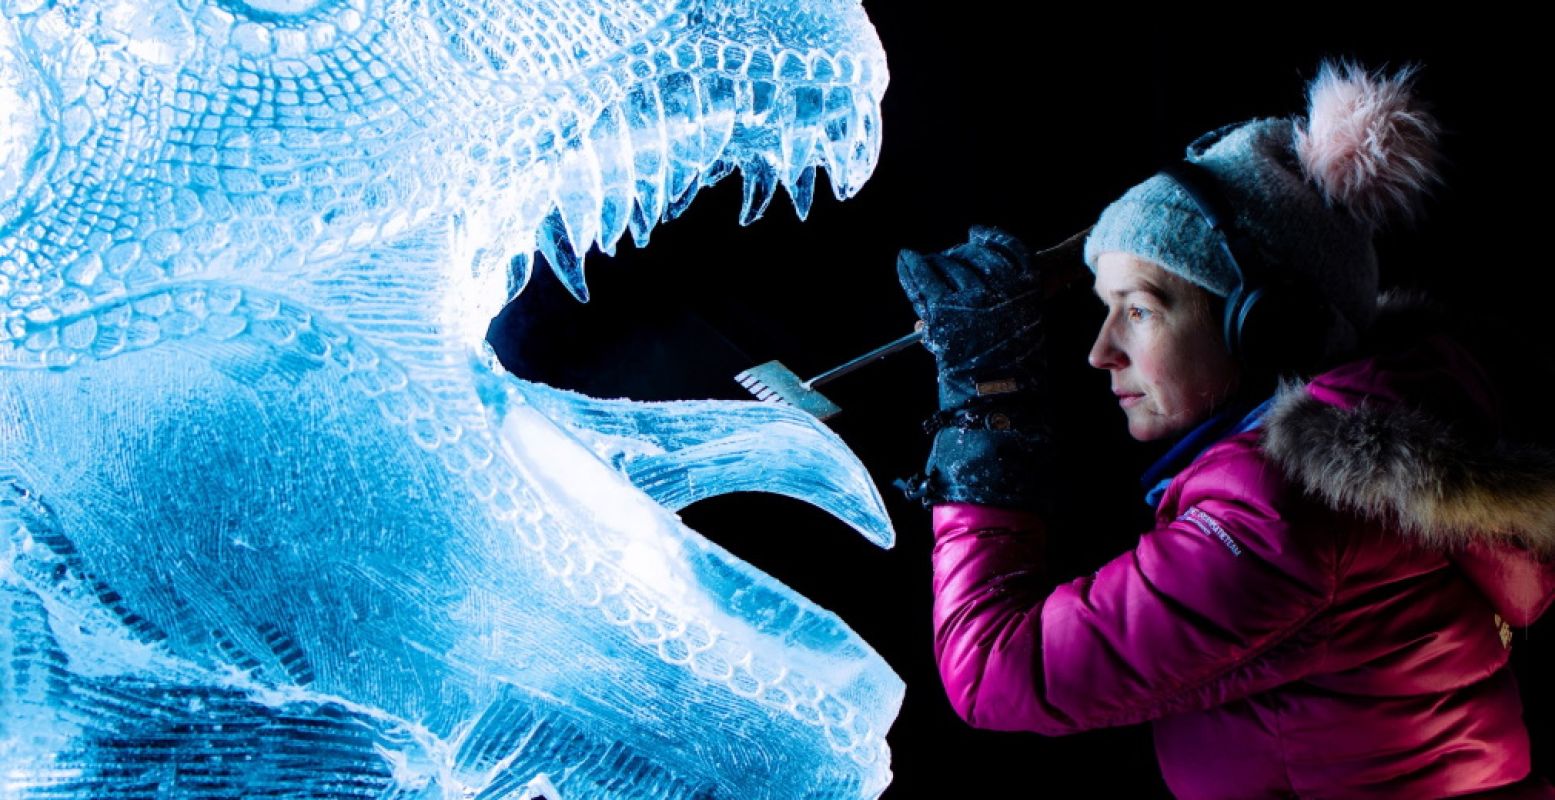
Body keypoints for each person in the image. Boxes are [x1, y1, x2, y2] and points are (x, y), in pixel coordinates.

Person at [895, 60, 1555, 798]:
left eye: (1139, 310)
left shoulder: (1286, 518)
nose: (1099, 351)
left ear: (1266, 330)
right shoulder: (1393, 429)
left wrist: (986, 409)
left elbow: (992, 672)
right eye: (1104, 307)